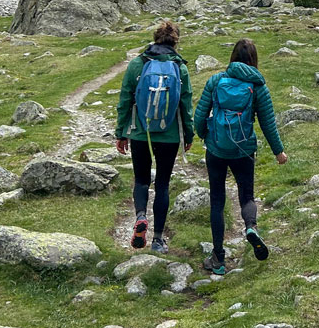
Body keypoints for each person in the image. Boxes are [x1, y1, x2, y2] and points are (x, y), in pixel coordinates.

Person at [193, 38, 287, 275]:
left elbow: (199, 116)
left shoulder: (216, 81)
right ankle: (251, 227)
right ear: (253, 60)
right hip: (244, 150)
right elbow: (268, 124)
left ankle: (218, 258)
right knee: (246, 196)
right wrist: (279, 152)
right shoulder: (258, 87)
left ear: (232, 57)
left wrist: (207, 135)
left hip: (216, 149)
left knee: (217, 201)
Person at [115, 20, 193, 254]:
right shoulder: (180, 67)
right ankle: (158, 239)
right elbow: (186, 104)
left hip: (140, 131)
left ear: (155, 38)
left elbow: (125, 100)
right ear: (175, 40)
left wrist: (121, 132)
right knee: (163, 184)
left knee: (141, 180)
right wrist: (188, 134)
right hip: (169, 136)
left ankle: (140, 217)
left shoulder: (138, 64)